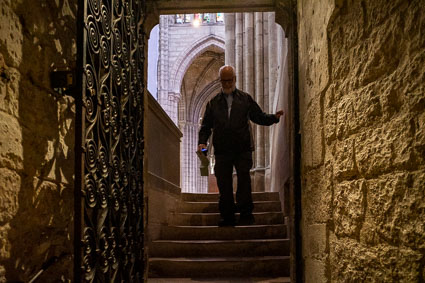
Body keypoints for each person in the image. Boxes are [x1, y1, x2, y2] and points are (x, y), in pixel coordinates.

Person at [198, 65, 283, 227]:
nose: (227, 84)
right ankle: (227, 216)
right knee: (224, 183)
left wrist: (274, 118)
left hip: (242, 148)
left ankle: (246, 214)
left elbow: (258, 116)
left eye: (230, 80)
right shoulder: (213, 103)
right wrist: (202, 142)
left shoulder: (245, 99)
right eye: (224, 81)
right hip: (222, 150)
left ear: (235, 79)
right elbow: (206, 127)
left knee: (244, 181)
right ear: (220, 81)